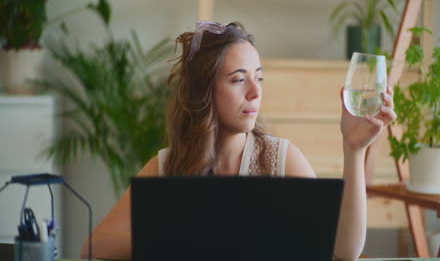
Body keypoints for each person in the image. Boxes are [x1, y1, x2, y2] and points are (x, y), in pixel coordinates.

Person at [80, 21, 396, 261]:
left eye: (258, 77)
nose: (255, 91)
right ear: (204, 92)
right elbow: (93, 245)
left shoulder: (280, 158)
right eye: (238, 80)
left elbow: (345, 249)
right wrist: (176, 236)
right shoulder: (166, 165)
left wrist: (353, 151)